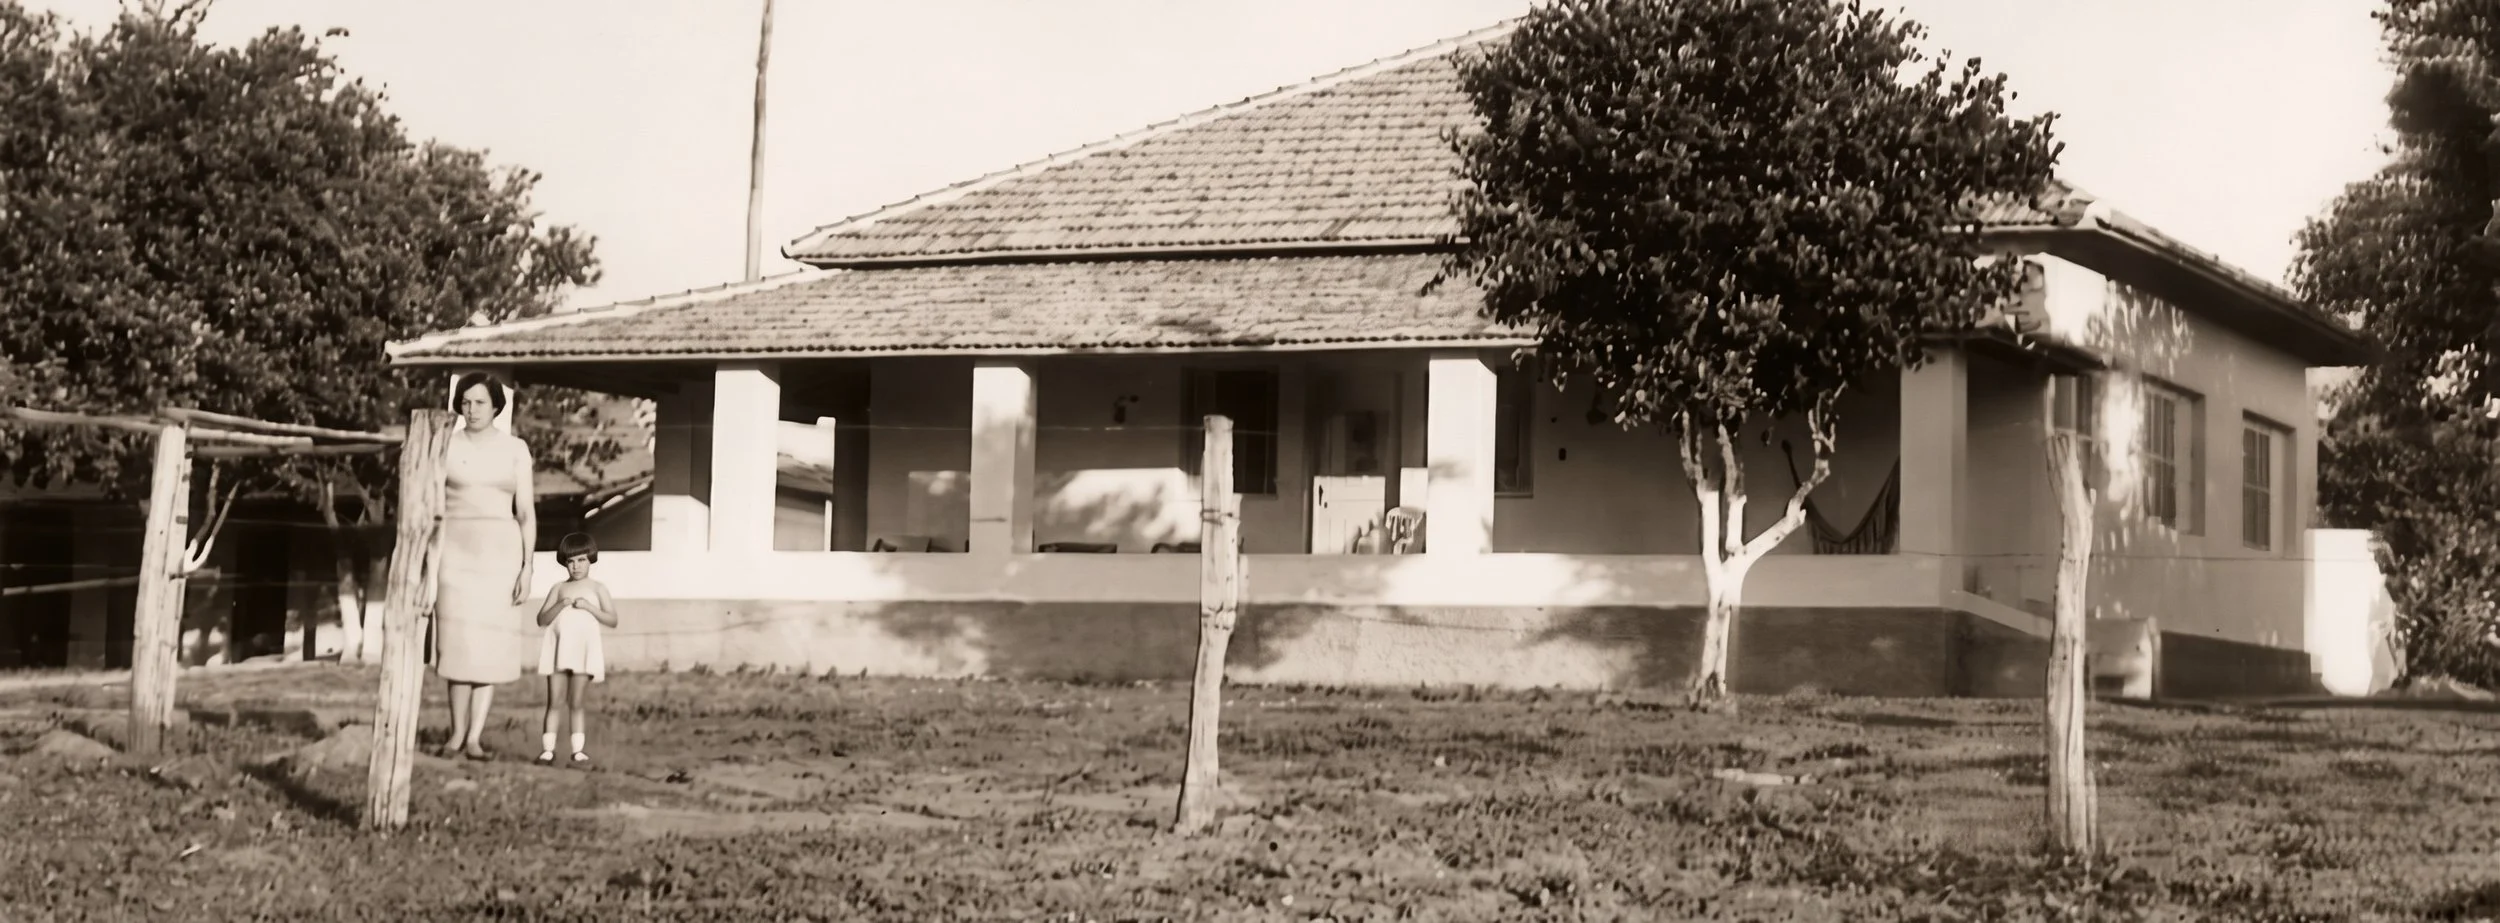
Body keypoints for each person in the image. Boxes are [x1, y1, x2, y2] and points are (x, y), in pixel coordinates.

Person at [433, 372, 536, 761]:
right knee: (457, 646)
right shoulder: (444, 444)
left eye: (480, 403)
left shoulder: (515, 449)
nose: (472, 410)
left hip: (499, 557)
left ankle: (475, 737)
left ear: (496, 406)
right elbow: (429, 501)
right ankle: (456, 734)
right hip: (454, 555)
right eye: (466, 402)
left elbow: (525, 512)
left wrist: (527, 566)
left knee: (489, 648)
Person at [534, 532, 615, 766]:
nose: (576, 566)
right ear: (564, 563)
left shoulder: (598, 588)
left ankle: (578, 751)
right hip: (558, 650)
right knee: (554, 701)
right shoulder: (558, 588)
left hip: (583, 651)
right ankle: (547, 751)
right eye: (571, 561)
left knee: (576, 701)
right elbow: (541, 619)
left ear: (591, 559)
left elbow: (612, 619)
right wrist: (560, 604)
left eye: (581, 560)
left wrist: (590, 607)